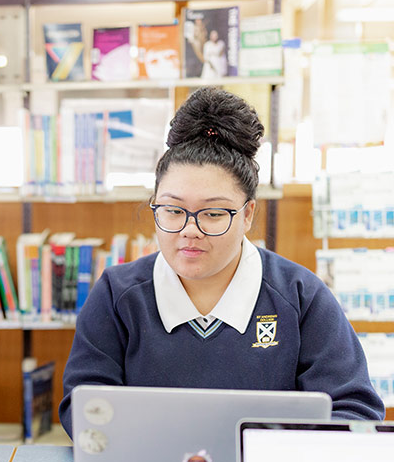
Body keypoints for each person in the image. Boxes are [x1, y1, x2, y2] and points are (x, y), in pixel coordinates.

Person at [59, 87, 385, 437]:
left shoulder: (300, 296)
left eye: (213, 213)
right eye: (172, 210)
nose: (189, 230)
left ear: (248, 214)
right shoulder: (116, 295)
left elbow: (355, 409)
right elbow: (85, 405)